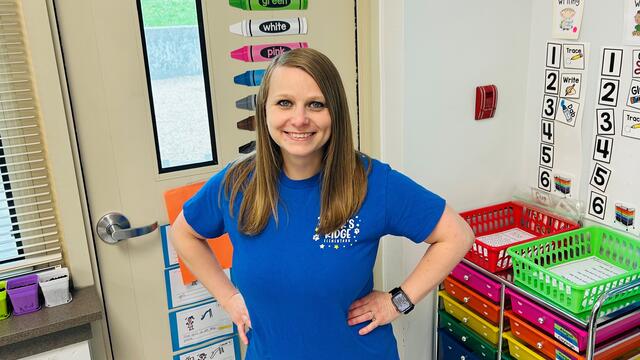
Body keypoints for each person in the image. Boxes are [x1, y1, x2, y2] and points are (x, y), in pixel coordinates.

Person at [171, 48, 475, 359]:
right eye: (284, 103)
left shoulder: (371, 182)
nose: (299, 119)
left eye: (316, 104)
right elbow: (183, 233)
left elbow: (456, 235)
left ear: (335, 113)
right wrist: (228, 298)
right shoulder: (235, 184)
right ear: (265, 110)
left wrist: (399, 300)